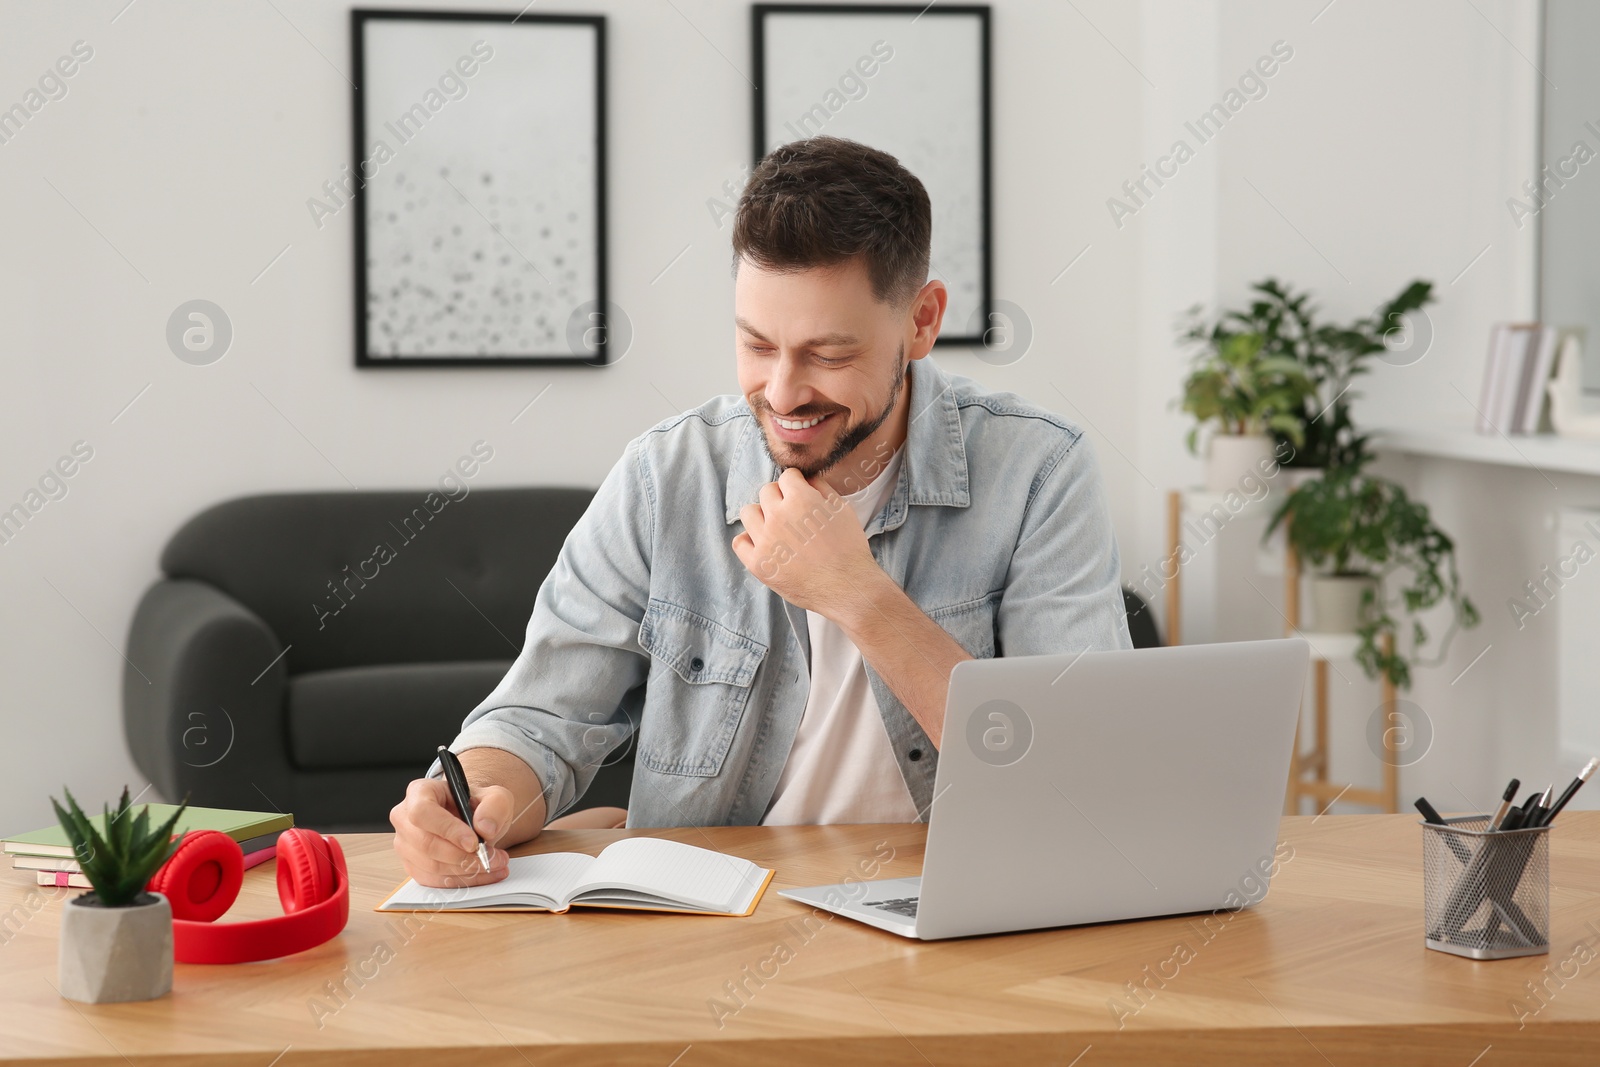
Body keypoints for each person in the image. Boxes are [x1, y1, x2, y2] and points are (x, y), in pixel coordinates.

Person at [390, 135, 1132, 887]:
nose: (781, 393)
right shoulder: (664, 476)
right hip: (712, 924)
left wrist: (858, 595)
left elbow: (1076, 779)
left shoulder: (1039, 470)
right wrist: (479, 796)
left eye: (829, 355)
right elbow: (537, 720)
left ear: (922, 320)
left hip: (949, 911)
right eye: (756, 344)